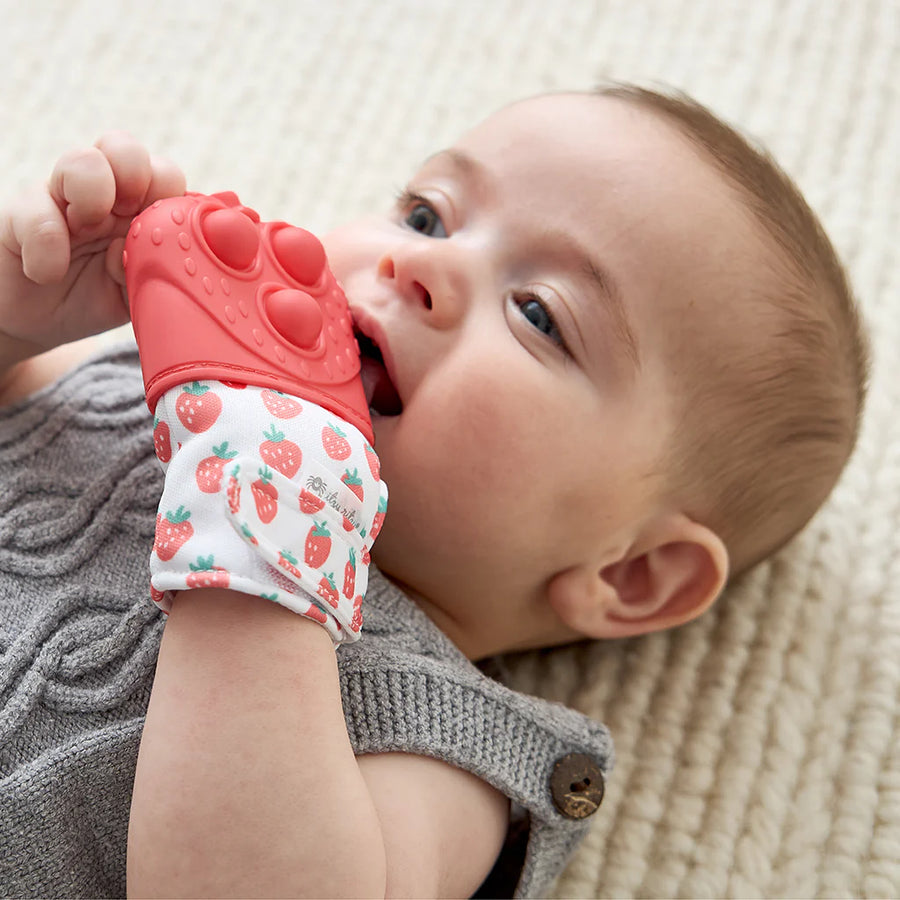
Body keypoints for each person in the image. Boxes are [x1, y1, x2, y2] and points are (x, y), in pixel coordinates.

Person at [0, 84, 868, 898]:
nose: (418, 265)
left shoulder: (444, 745)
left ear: (630, 573)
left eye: (538, 314)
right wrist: (23, 318)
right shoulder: (156, 380)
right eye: (429, 214)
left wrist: (271, 515)